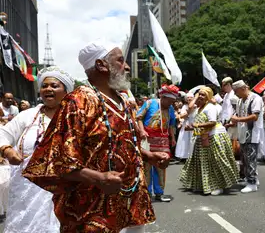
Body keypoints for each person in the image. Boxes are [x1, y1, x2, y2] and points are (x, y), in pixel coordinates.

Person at [23, 41, 170, 232]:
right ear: (101, 65)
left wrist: (148, 156)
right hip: (93, 208)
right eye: (120, 60)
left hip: (131, 202)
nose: (126, 67)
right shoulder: (78, 102)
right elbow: (59, 160)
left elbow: (120, 144)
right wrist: (98, 178)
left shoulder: (123, 101)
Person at [0, 66, 75, 233]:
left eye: (54, 86)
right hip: (26, 190)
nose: (48, 89)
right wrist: (7, 150)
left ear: (67, 91)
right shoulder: (27, 116)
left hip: (62, 190)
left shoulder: (75, 119)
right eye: (44, 85)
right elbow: (2, 134)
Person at [179, 87, 238, 195]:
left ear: (209, 97)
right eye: (199, 94)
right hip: (203, 137)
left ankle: (220, 186)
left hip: (215, 137)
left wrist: (196, 125)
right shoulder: (199, 108)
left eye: (203, 95)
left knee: (216, 162)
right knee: (205, 163)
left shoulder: (210, 107)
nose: (200, 97)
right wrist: (191, 128)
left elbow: (212, 122)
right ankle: (207, 185)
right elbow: (191, 108)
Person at [137, 84, 178, 203]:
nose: (171, 104)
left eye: (172, 102)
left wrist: (173, 138)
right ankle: (147, 193)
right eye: (169, 101)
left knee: (161, 166)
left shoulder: (170, 108)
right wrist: (142, 130)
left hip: (163, 141)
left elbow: (171, 124)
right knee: (147, 166)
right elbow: (139, 117)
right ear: (163, 97)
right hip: (148, 140)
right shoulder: (150, 103)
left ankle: (159, 193)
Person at [231, 80, 263, 193]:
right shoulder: (240, 101)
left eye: (236, 91)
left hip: (253, 133)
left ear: (243, 88)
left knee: (251, 158)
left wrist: (238, 119)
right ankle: (251, 178)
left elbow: (255, 116)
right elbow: (238, 115)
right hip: (242, 132)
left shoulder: (256, 99)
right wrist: (233, 121)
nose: (235, 93)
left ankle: (252, 183)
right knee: (245, 159)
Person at [175, 93, 197, 160]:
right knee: (185, 140)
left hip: (194, 123)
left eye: (191, 97)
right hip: (186, 123)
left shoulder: (196, 106)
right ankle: (186, 155)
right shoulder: (184, 106)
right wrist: (188, 112)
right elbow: (181, 116)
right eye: (188, 97)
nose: (189, 98)